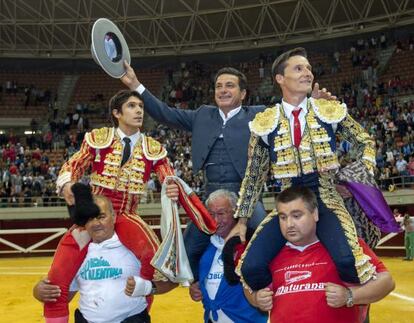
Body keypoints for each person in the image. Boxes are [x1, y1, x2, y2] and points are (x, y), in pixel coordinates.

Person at [120, 61, 333, 280]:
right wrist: (136, 84)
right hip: (210, 196)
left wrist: (312, 105)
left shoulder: (260, 115)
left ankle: (289, 280)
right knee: (188, 250)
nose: (223, 90)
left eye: (230, 85)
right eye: (219, 86)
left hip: (246, 197)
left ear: (242, 93)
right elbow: (165, 113)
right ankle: (199, 288)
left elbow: (291, 112)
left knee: (271, 239)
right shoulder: (202, 115)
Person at [39, 90, 215, 323]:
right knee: (58, 275)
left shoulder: (153, 148)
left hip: (127, 217)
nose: (139, 111)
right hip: (94, 217)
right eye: (132, 106)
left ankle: (140, 313)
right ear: (116, 113)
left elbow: (169, 178)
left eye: (141, 106)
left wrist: (173, 189)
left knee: (154, 262)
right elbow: (75, 163)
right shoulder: (98, 139)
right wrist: (67, 184)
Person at [236, 47, 383, 291]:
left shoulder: (328, 111)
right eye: (299, 68)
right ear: (280, 79)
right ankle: (287, 299)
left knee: (349, 261)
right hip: (287, 205)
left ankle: (354, 309)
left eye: (309, 69)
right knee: (250, 267)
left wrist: (355, 178)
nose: (308, 73)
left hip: (325, 199)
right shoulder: (265, 122)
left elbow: (364, 142)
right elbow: (253, 175)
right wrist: (242, 220)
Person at [244, 186, 395, 323]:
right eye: (283, 217)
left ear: (315, 214)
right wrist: (256, 299)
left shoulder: (344, 246)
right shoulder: (271, 252)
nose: (289, 224)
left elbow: (386, 281)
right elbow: (248, 286)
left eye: (297, 216)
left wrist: (350, 296)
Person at [34, 184, 176, 323]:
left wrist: (147, 287)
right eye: (90, 218)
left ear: (113, 217)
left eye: (101, 216)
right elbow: (61, 294)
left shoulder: (134, 247)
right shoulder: (78, 253)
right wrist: (39, 291)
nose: (95, 223)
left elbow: (172, 282)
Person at [189, 189, 267, 323]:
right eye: (211, 214)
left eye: (221, 213)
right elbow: (204, 282)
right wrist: (196, 288)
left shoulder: (252, 245)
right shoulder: (206, 246)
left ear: (235, 212)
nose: (215, 220)